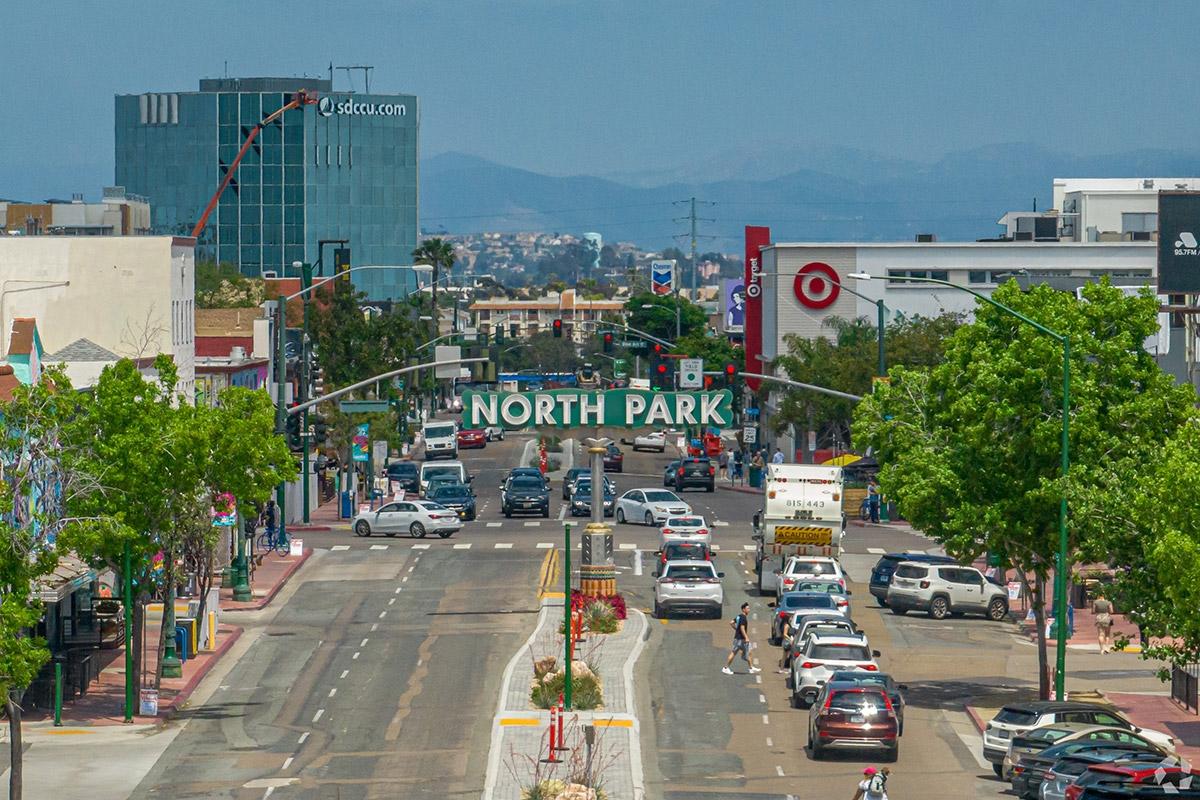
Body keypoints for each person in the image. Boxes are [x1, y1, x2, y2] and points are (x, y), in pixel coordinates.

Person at [723, 602, 760, 675]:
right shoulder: (743, 617)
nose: (749, 610)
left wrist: (736, 630)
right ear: (743, 609)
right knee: (734, 652)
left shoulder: (739, 616)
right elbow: (742, 628)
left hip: (738, 638)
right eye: (747, 608)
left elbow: (731, 622)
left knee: (749, 650)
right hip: (741, 639)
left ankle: (751, 667)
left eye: (749, 608)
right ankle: (726, 668)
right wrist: (746, 637)